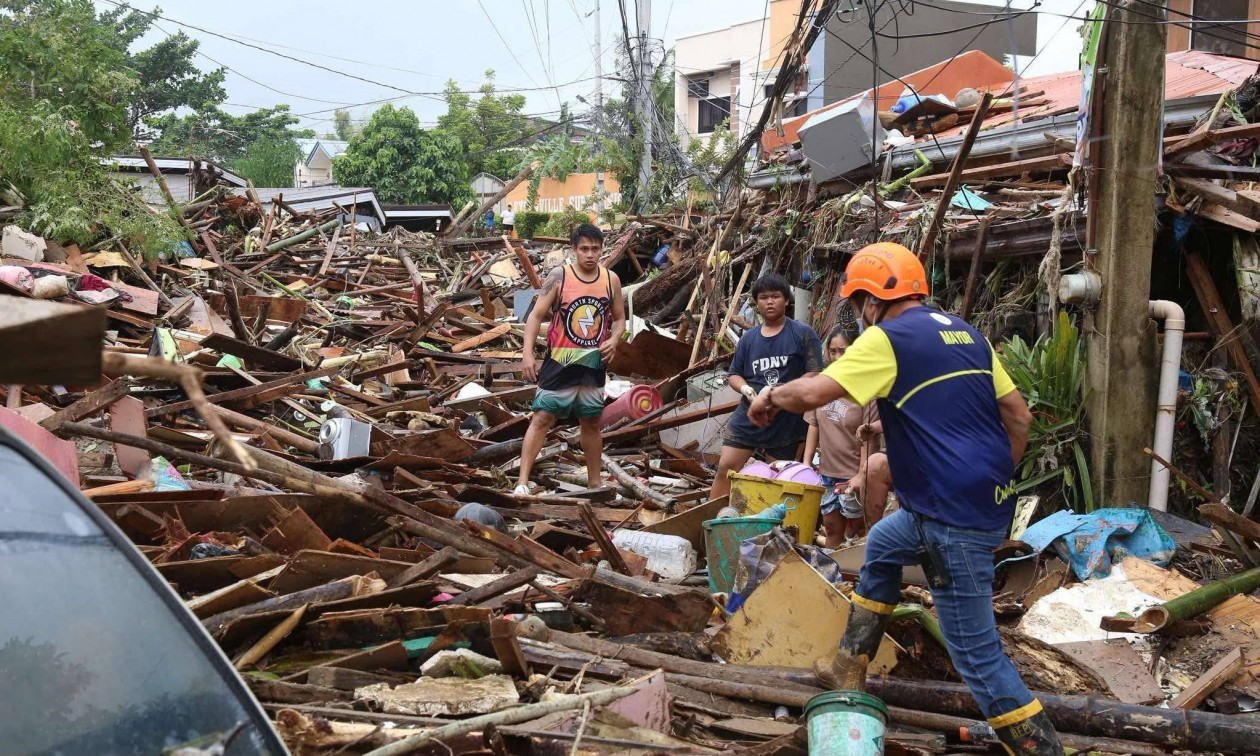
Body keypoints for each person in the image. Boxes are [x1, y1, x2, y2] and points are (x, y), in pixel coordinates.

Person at [747, 243, 1061, 756]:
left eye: (858, 303)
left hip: (950, 516)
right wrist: (991, 476)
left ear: (871, 299)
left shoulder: (886, 339)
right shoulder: (968, 335)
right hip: (972, 500)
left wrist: (767, 395)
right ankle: (850, 667)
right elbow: (1019, 417)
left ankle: (1044, 751)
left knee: (977, 656)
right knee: (885, 546)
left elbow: (812, 394)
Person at [516, 223, 625, 495]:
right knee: (542, 417)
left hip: (593, 362)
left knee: (590, 422)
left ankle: (594, 482)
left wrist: (614, 339)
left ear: (602, 250)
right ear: (574, 249)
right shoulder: (559, 276)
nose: (590, 254)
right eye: (584, 249)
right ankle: (522, 482)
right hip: (560, 360)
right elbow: (535, 315)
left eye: (595, 249)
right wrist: (528, 354)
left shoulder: (610, 279)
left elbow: (620, 318)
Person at [709, 273, 824, 501]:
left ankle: (773, 528)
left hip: (786, 419)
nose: (769, 302)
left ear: (787, 300)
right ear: (756, 302)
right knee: (726, 468)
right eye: (763, 297)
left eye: (775, 296)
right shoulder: (749, 339)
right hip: (750, 413)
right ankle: (711, 518)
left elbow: (814, 373)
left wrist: (783, 394)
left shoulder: (803, 334)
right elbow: (734, 375)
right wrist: (747, 391)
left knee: (780, 478)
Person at [801, 325, 879, 547]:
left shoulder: (867, 389)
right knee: (832, 527)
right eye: (833, 351)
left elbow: (869, 436)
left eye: (843, 351)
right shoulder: (822, 385)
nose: (837, 357)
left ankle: (862, 576)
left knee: (861, 529)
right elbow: (813, 425)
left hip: (854, 473)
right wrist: (807, 464)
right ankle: (834, 577)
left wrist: (861, 476)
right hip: (826, 473)